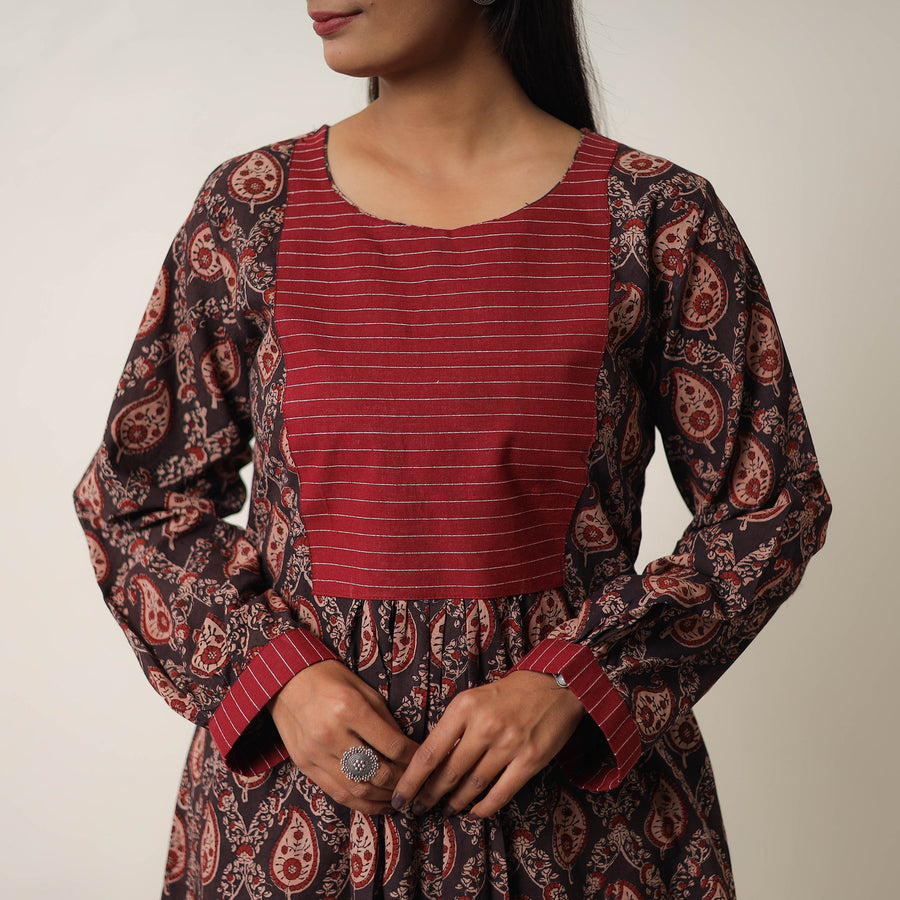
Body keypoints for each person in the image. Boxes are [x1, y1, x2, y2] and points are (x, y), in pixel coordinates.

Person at [73, 1, 831, 897]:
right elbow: (134, 497)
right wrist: (277, 678)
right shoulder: (251, 211)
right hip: (294, 828)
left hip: (578, 839)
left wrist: (580, 680)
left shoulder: (655, 217)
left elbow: (771, 504)